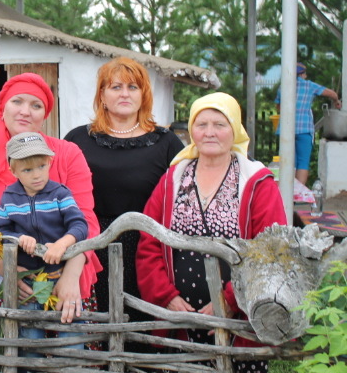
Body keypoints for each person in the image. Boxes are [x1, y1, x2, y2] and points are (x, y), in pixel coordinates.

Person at [136, 92, 287, 372]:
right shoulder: (174, 179)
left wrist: (229, 300)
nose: (209, 133)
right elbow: (149, 242)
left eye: (219, 124)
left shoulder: (256, 182)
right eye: (201, 124)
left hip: (236, 321)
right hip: (181, 320)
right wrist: (165, 296)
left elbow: (270, 249)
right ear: (191, 130)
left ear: (235, 129)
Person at [0, 72, 102, 326]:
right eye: (17, 102)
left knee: (70, 356)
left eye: (35, 105)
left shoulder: (67, 154)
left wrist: (70, 277)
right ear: (2, 107)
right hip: (6, 282)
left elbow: (86, 222)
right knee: (15, 359)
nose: (25, 111)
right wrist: (5, 270)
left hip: (67, 275)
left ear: (44, 115)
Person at [64, 58, 184, 327]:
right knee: (97, 328)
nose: (125, 94)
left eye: (133, 87)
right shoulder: (77, 139)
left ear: (144, 95)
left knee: (143, 328)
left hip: (150, 251)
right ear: (102, 96)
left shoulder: (166, 143)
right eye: (116, 87)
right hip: (91, 247)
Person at [0, 131, 88, 354]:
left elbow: (80, 226)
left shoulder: (59, 194)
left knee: (70, 335)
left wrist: (62, 244)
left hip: (59, 279)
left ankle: (72, 365)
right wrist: (19, 239)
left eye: (41, 166)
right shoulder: (9, 198)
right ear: (13, 170)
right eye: (27, 170)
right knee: (29, 339)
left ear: (49, 162)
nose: (37, 175)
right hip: (29, 283)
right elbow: (0, 232)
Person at [275, 62, 341, 185]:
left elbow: (278, 108)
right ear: (302, 74)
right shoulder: (309, 86)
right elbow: (332, 94)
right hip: (304, 129)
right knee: (303, 162)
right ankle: (299, 194)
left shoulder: (283, 87)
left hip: (286, 129)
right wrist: (336, 101)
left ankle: (287, 194)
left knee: (289, 162)